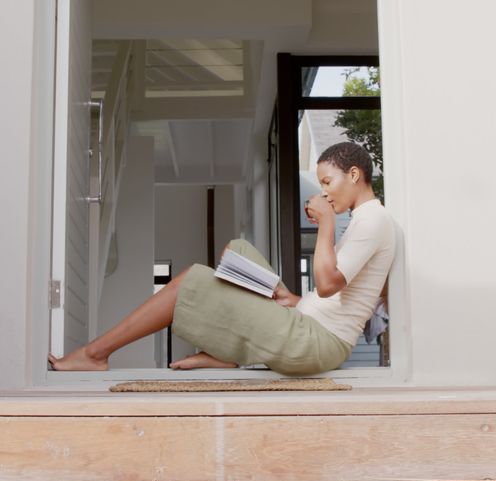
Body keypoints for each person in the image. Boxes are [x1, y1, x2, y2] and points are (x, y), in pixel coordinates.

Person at [49, 142, 396, 375]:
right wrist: (294, 299)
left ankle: (95, 355)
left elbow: (327, 283)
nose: (323, 192)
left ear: (353, 175)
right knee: (237, 250)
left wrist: (327, 225)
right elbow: (336, 295)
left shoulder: (372, 220)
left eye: (327, 182)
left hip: (317, 343)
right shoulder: (368, 219)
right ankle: (225, 351)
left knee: (192, 279)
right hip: (309, 321)